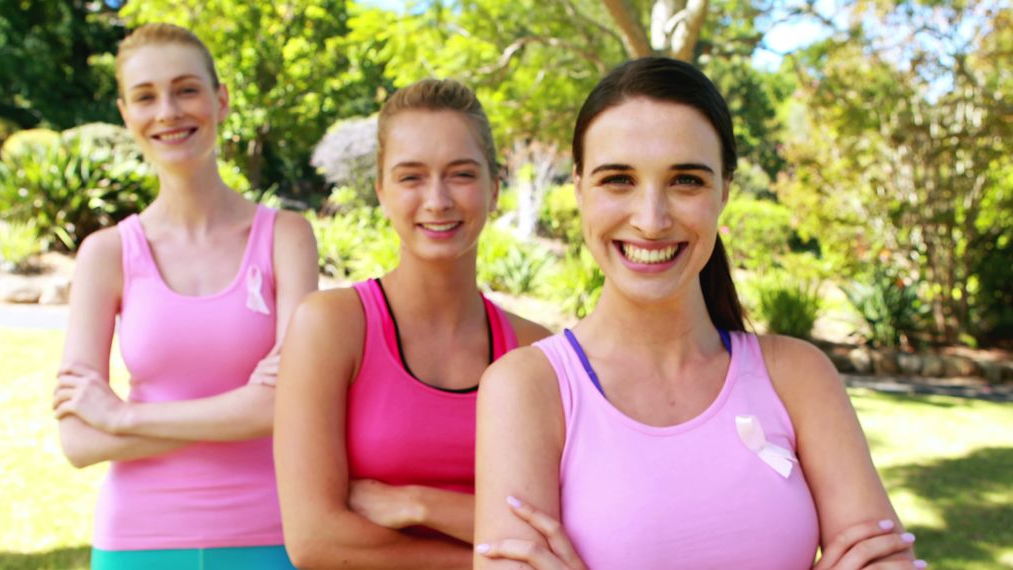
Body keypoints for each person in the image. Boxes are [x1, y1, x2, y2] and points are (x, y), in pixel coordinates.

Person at [473, 57, 925, 570]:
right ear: (579, 188)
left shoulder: (799, 376)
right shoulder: (528, 388)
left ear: (724, 191)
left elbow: (888, 562)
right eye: (618, 179)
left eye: (685, 180)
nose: (651, 219)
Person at [52, 23, 318, 569]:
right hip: (136, 542)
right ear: (127, 114)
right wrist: (239, 412)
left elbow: (287, 406)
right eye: (146, 96)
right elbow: (79, 438)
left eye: (186, 89)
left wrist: (124, 418)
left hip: (270, 534)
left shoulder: (286, 238)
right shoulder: (106, 255)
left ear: (219, 100)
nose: (169, 111)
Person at [273, 78, 550, 569]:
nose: (437, 199)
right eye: (411, 177)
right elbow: (315, 541)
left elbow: (559, 529)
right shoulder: (332, 327)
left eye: (461, 174)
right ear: (381, 191)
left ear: (493, 189)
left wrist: (417, 503)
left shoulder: (537, 352)